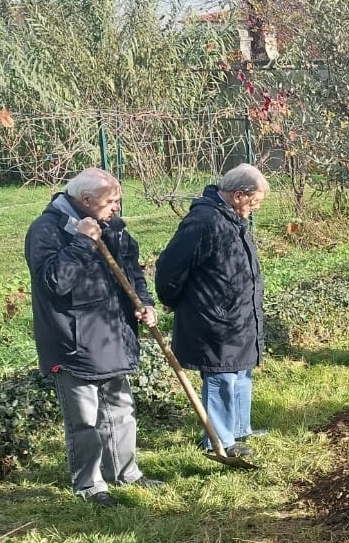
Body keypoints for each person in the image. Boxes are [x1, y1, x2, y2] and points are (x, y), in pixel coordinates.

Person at [25, 168, 166, 507]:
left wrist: (144, 303)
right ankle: (90, 485)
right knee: (84, 419)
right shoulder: (47, 230)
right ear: (85, 200)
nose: (116, 207)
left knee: (121, 408)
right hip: (72, 339)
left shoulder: (112, 227)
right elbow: (54, 283)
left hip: (112, 334)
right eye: (111, 201)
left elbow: (132, 271)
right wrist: (82, 242)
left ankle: (125, 472)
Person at [154, 164, 270, 459]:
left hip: (238, 313)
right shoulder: (204, 220)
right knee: (221, 375)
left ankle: (240, 429)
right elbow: (171, 264)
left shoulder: (231, 217)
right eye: (254, 202)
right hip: (214, 316)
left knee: (241, 370)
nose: (254, 209)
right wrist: (169, 296)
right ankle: (220, 440)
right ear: (238, 195)